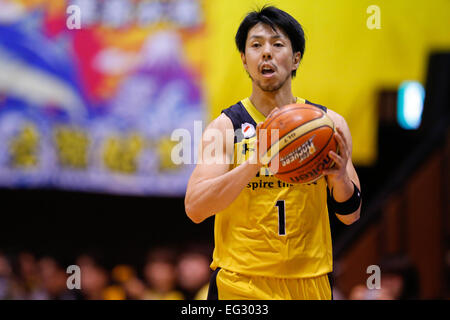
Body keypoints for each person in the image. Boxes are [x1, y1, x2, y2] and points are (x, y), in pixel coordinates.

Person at [184, 6, 361, 300]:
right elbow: (195, 209)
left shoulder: (328, 125)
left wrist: (341, 178)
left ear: (295, 59)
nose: (266, 52)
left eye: (277, 44)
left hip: (309, 281)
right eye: (256, 45)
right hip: (242, 283)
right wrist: (254, 161)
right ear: (244, 60)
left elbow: (351, 215)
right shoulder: (226, 127)